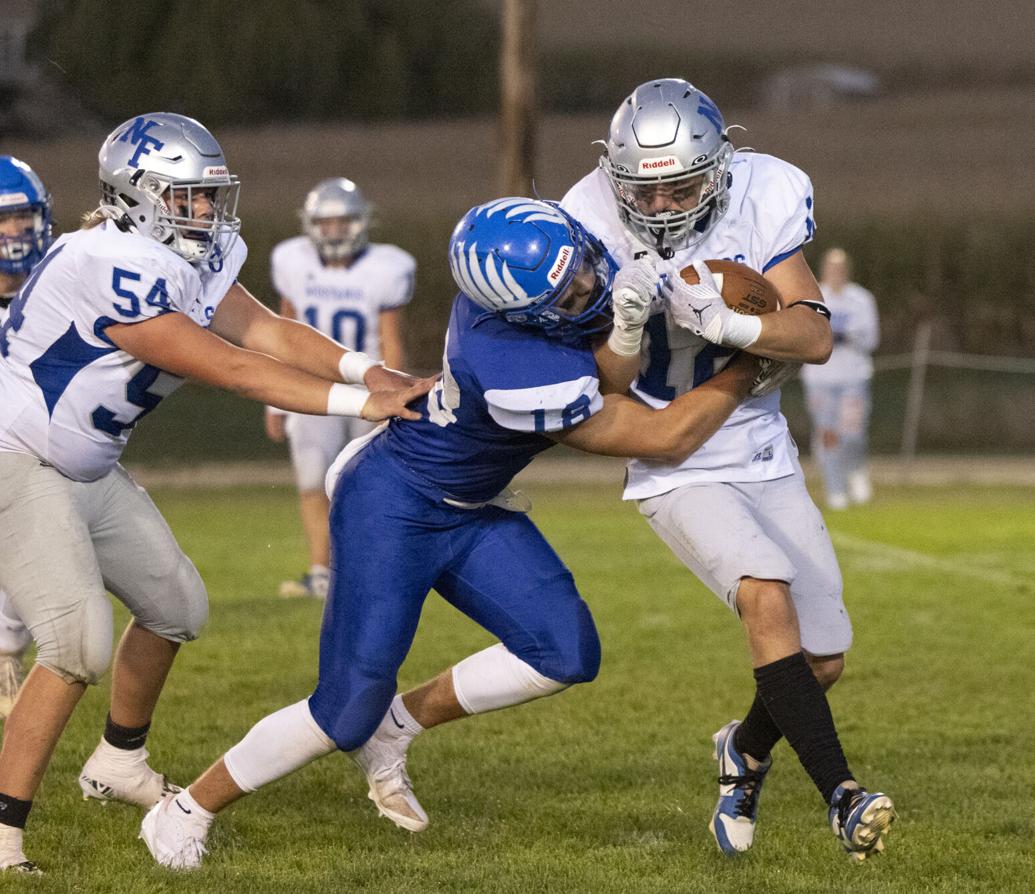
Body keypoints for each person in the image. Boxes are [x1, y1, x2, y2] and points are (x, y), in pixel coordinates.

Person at [139, 196, 782, 870]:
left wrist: (623, 327)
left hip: (470, 503)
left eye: (584, 271)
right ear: (524, 313)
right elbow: (662, 436)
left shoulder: (525, 280)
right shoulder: (512, 366)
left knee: (564, 650)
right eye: (570, 294)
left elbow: (603, 359)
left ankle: (395, 729)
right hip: (396, 507)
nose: (588, 287)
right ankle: (186, 809)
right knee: (343, 709)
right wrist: (748, 363)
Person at [0, 113, 431, 875]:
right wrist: (360, 407)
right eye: (185, 198)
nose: (204, 213)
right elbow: (228, 367)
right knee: (76, 643)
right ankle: (2, 833)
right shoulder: (106, 258)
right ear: (136, 197)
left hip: (85, 465)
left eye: (207, 197)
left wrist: (371, 373)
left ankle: (118, 762)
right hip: (16, 457)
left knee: (176, 609)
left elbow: (266, 332)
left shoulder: (179, 255)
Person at [557, 79, 895, 860]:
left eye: (682, 184)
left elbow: (812, 336)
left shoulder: (764, 189)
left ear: (720, 165)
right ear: (615, 176)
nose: (665, 204)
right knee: (763, 592)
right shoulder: (585, 218)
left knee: (822, 660)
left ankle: (741, 753)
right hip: (668, 454)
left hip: (758, 442)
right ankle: (843, 797)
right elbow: (604, 384)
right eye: (646, 187)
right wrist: (627, 323)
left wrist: (735, 322)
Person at [266, 178, 415, 599]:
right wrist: (273, 402)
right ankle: (321, 572)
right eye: (324, 223)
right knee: (313, 480)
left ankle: (371, 571)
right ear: (311, 224)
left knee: (368, 482)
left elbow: (392, 340)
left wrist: (395, 391)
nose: (332, 231)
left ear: (361, 223)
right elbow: (282, 330)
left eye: (342, 222)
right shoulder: (291, 260)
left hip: (369, 387)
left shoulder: (387, 267)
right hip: (310, 386)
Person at [0, 155, 52, 719]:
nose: (14, 232)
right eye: (2, 220)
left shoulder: (54, 288)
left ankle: (7, 648)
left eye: (23, 218)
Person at [801, 248, 880, 509]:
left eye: (840, 268)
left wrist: (847, 335)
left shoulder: (861, 299)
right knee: (828, 435)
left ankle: (856, 469)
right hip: (820, 379)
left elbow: (871, 339)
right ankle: (835, 488)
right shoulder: (814, 296)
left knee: (852, 432)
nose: (836, 273)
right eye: (831, 268)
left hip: (853, 377)